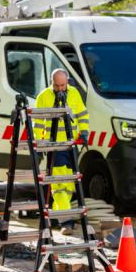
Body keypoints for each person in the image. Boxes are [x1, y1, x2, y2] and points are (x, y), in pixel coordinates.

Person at [34, 69, 89, 236]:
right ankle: (66, 221)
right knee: (59, 186)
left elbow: (82, 114)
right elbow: (37, 123)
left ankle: (66, 217)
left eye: (62, 85)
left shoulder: (74, 94)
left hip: (71, 144)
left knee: (71, 184)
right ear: (52, 82)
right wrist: (39, 144)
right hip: (54, 147)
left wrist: (84, 132)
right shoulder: (43, 96)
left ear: (67, 82)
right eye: (56, 85)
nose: (60, 89)